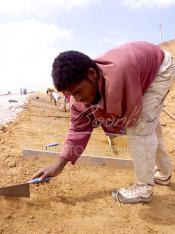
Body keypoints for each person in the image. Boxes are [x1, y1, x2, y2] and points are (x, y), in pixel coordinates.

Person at [32, 41, 175, 204]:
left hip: (160, 69)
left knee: (140, 127)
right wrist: (58, 165)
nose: (78, 99)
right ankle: (163, 174)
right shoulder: (77, 99)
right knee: (149, 126)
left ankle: (143, 187)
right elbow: (78, 131)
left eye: (78, 91)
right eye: (71, 94)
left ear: (92, 74)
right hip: (138, 70)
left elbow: (125, 117)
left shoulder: (119, 76)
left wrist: (104, 123)